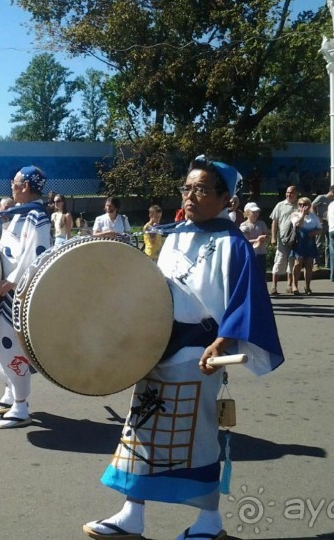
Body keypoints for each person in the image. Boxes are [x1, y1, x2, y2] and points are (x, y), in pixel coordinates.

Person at [83, 155, 283, 540]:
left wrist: (224, 339)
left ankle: (209, 522)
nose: (191, 196)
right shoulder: (174, 234)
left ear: (226, 198)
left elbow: (245, 300)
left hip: (198, 352)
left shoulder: (232, 243)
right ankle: (131, 515)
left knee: (196, 439)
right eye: (187, 188)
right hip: (157, 347)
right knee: (140, 430)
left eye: (202, 189)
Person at [0, 166, 52, 429]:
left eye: (15, 182)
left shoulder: (37, 216)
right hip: (3, 289)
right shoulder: (21, 213)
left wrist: (11, 282)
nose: (11, 185)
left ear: (25, 187)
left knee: (10, 344)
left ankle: (21, 406)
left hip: (16, 293)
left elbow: (37, 254)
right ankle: (11, 390)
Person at [269, 186, 299, 295]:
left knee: (291, 262)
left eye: (291, 193)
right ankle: (274, 286)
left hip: (295, 239)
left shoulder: (299, 205)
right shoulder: (280, 205)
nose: (289, 194)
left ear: (296, 194)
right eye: (287, 192)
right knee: (280, 261)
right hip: (282, 239)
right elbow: (274, 222)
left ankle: (289, 285)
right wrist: (273, 237)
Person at [289, 197, 321, 295]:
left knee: (309, 264)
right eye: (300, 204)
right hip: (300, 240)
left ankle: (307, 287)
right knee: (298, 263)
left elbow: (320, 229)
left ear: (309, 205)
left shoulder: (313, 217)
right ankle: (294, 285)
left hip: (309, 241)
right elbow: (298, 224)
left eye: (305, 204)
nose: (302, 206)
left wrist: (315, 232)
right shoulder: (295, 214)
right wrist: (302, 215)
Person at [311, 184, 334, 268]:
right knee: (318, 243)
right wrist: (316, 218)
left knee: (329, 244)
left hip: (330, 223)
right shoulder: (321, 198)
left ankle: (328, 263)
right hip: (321, 223)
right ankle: (316, 263)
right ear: (332, 191)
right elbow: (312, 206)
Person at [240, 202, 268, 279]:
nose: (256, 214)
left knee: (261, 274)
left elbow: (267, 236)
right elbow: (245, 241)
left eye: (257, 212)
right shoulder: (243, 225)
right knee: (251, 274)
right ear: (247, 212)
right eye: (253, 212)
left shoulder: (262, 223)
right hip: (249, 253)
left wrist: (265, 238)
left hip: (261, 253)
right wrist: (257, 239)